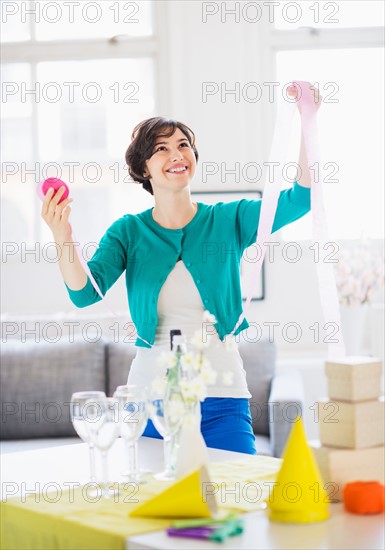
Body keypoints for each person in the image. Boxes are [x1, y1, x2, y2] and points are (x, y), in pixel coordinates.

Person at [41, 85, 321, 455]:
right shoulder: (128, 232)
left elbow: (301, 198)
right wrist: (62, 235)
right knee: (160, 509)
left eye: (183, 145)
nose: (177, 154)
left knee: (236, 502)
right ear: (144, 168)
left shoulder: (229, 219)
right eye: (162, 148)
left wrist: (307, 121)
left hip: (223, 399)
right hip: (149, 402)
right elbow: (83, 293)